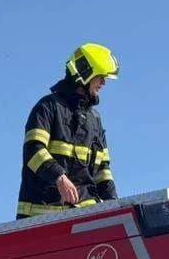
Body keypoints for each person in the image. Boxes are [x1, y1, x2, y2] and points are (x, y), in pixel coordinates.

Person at [16, 42, 119, 217]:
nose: (103, 83)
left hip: (82, 216)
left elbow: (103, 170)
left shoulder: (95, 120)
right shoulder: (48, 107)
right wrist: (59, 177)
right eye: (101, 76)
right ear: (85, 73)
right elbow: (33, 150)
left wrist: (116, 206)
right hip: (41, 217)